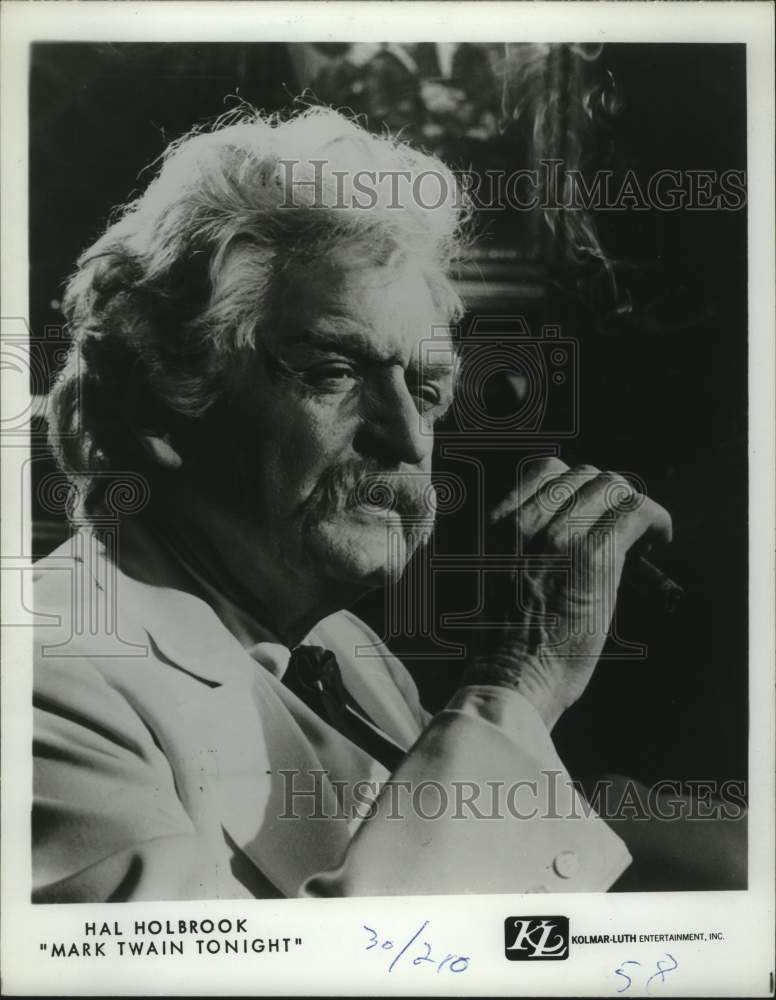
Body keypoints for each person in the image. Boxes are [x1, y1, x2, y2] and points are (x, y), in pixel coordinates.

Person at [33, 106, 693, 902]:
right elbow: (340, 962)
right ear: (156, 403)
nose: (407, 438)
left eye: (425, 389)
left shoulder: (347, 654)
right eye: (334, 372)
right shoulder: (42, 680)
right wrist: (518, 682)